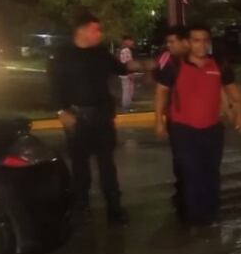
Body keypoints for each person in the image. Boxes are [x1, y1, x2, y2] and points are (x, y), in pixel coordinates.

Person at [49, 13, 151, 224]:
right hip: (77, 118)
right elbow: (54, 85)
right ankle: (81, 207)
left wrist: (144, 65)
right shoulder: (62, 55)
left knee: (107, 165)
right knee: (80, 166)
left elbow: (121, 68)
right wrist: (61, 111)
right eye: (95, 29)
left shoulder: (101, 53)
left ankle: (114, 209)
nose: (99, 34)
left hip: (102, 117)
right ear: (82, 30)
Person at [154, 24, 241, 227]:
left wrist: (239, 115)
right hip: (183, 129)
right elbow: (161, 92)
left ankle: (210, 214)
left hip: (212, 129)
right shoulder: (174, 66)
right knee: (190, 172)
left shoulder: (218, 65)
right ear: (187, 43)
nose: (202, 45)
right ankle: (194, 217)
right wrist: (159, 120)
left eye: (205, 40)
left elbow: (233, 92)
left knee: (210, 172)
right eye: (196, 40)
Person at [156, 25, 191, 221]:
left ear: (185, 41)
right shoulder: (170, 65)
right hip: (177, 121)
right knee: (181, 160)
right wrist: (159, 120)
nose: (169, 46)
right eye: (168, 42)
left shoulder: (200, 61)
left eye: (172, 42)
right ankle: (183, 197)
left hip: (201, 121)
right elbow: (161, 92)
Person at [118, 35, 137, 112]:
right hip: (127, 74)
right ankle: (126, 108)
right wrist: (131, 74)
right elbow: (128, 63)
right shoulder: (126, 50)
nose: (132, 42)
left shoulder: (123, 50)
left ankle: (126, 107)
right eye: (130, 40)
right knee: (127, 92)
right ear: (126, 41)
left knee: (127, 91)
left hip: (125, 73)